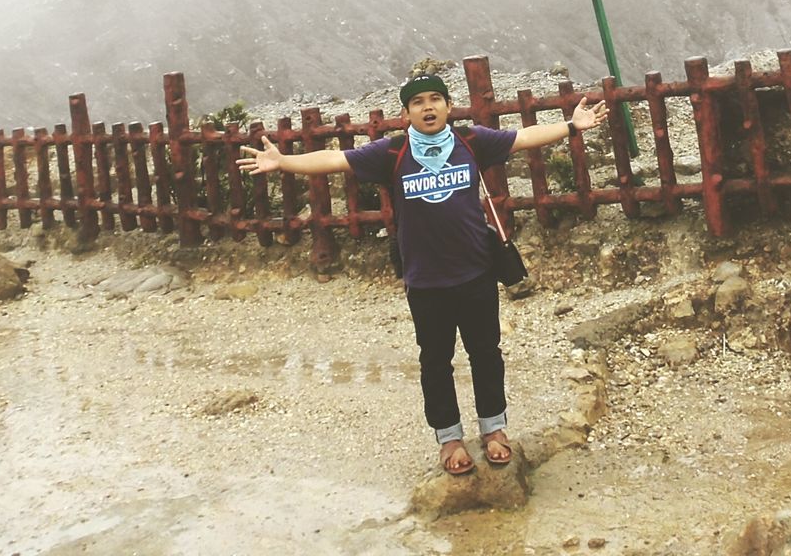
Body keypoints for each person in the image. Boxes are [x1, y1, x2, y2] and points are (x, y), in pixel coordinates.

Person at [237, 72, 608, 475]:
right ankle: (449, 439)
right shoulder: (392, 153)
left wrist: (572, 125)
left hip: (476, 271)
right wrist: (282, 162)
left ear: (448, 106)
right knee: (435, 361)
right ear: (406, 112)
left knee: (486, 354)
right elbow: (333, 160)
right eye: (418, 102)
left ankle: (494, 430)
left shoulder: (470, 141)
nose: (428, 107)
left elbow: (522, 137)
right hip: (425, 278)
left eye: (435, 99)